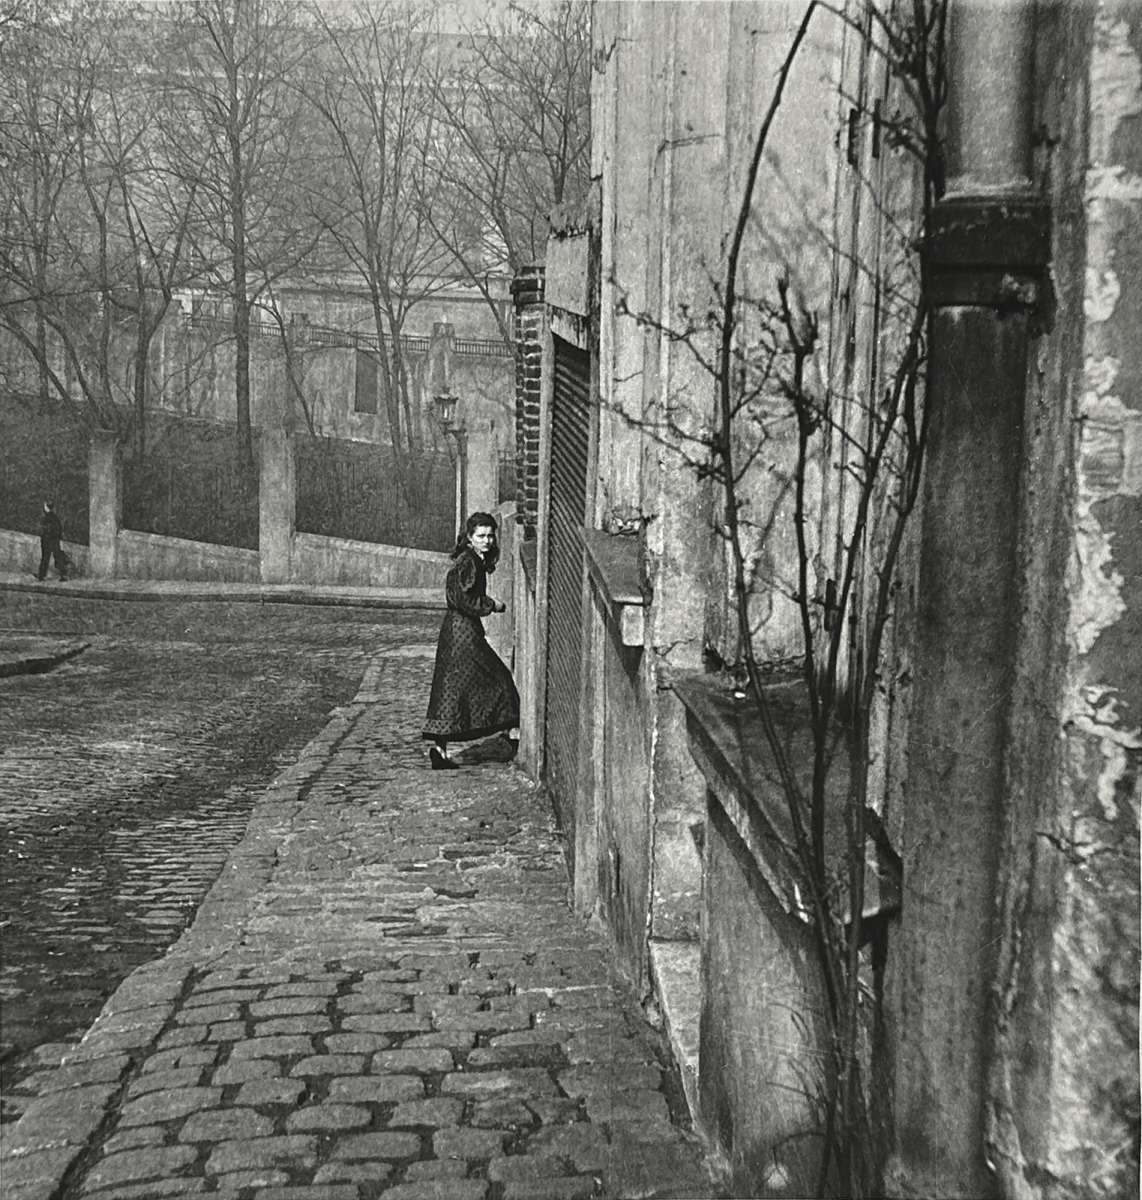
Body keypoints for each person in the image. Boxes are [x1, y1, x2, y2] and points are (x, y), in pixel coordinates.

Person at [423, 512, 520, 769]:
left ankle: (439, 750)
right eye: (481, 536)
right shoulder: (468, 562)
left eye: (490, 536)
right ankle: (510, 733)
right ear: (469, 538)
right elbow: (462, 598)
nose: (487, 541)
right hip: (462, 632)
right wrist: (493, 605)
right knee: (498, 677)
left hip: (456, 631)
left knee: (452, 690)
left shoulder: (471, 560)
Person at [36, 500, 68, 582]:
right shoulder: (55, 517)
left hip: (47, 540)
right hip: (55, 540)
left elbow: (43, 529)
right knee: (58, 556)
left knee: (45, 558)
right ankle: (63, 574)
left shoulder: (46, 518)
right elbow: (59, 529)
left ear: (46, 507)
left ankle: (41, 575)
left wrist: (43, 536)